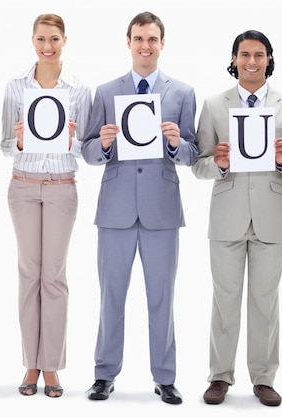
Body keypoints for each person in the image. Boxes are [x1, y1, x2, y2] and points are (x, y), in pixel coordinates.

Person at [81, 11, 197, 405]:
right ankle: (103, 374)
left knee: (161, 296)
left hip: (162, 209)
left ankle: (165, 377)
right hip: (115, 209)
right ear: (128, 42)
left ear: (162, 43)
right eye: (138, 39)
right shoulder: (106, 91)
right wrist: (107, 143)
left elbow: (192, 154)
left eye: (152, 39)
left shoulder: (181, 92)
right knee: (111, 294)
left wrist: (174, 143)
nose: (145, 45)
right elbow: (88, 151)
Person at [192, 30, 282, 406]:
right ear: (234, 59)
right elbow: (198, 165)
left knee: (265, 301)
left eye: (259, 55)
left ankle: (263, 378)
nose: (252, 61)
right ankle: (219, 377)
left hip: (271, 216)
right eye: (244, 55)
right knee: (224, 300)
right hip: (227, 215)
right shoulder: (214, 105)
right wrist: (219, 165)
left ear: (269, 60)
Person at [0, 13, 92, 398]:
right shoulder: (17, 85)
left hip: (60, 187)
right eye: (41, 38)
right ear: (32, 40)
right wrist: (20, 141)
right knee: (29, 274)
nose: (47, 45)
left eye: (54, 38)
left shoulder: (79, 89)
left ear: (64, 40)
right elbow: (4, 145)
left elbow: (87, 149)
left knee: (53, 276)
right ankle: (30, 363)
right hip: (23, 186)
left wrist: (71, 138)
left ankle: (51, 366)